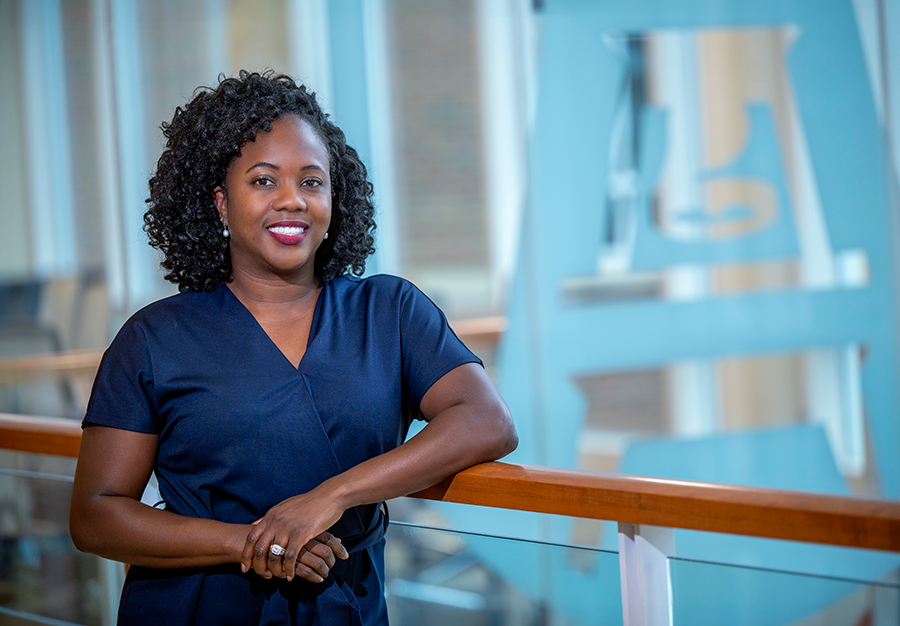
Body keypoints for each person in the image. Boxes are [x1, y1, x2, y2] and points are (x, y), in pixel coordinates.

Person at [69, 70, 518, 625]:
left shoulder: (389, 311)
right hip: (198, 605)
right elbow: (96, 516)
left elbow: (487, 422)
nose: (292, 201)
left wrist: (331, 497)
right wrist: (255, 543)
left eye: (311, 181)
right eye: (263, 181)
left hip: (345, 603)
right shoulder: (154, 338)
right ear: (220, 204)